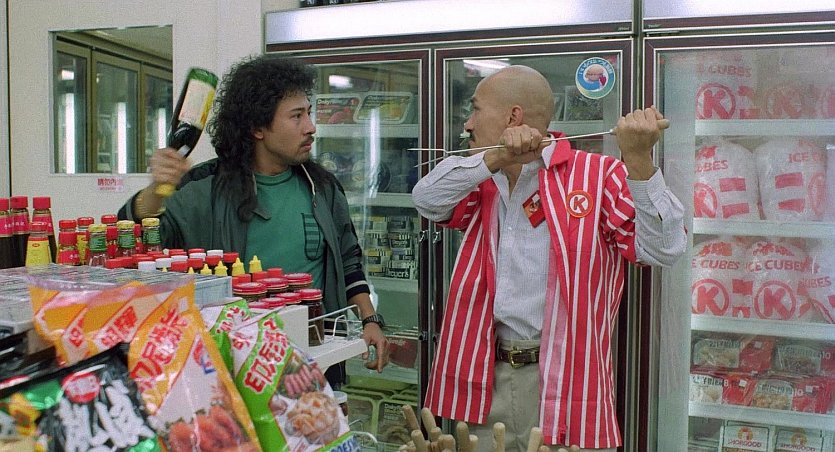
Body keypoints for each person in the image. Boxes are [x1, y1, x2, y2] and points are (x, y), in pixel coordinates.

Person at [412, 65, 686, 451]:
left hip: (565, 381)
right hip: (484, 375)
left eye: (475, 110)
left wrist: (639, 160)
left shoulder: (598, 175)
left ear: (514, 116)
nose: (468, 124)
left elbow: (663, 249)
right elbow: (426, 199)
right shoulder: (480, 179)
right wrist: (497, 157)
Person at [118, 55, 388, 376]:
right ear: (258, 128)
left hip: (315, 357)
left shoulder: (323, 187)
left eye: (309, 113)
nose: (310, 127)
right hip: (236, 364)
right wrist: (156, 190)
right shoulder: (206, 187)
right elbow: (137, 243)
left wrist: (370, 319)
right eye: (296, 116)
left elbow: (349, 261)